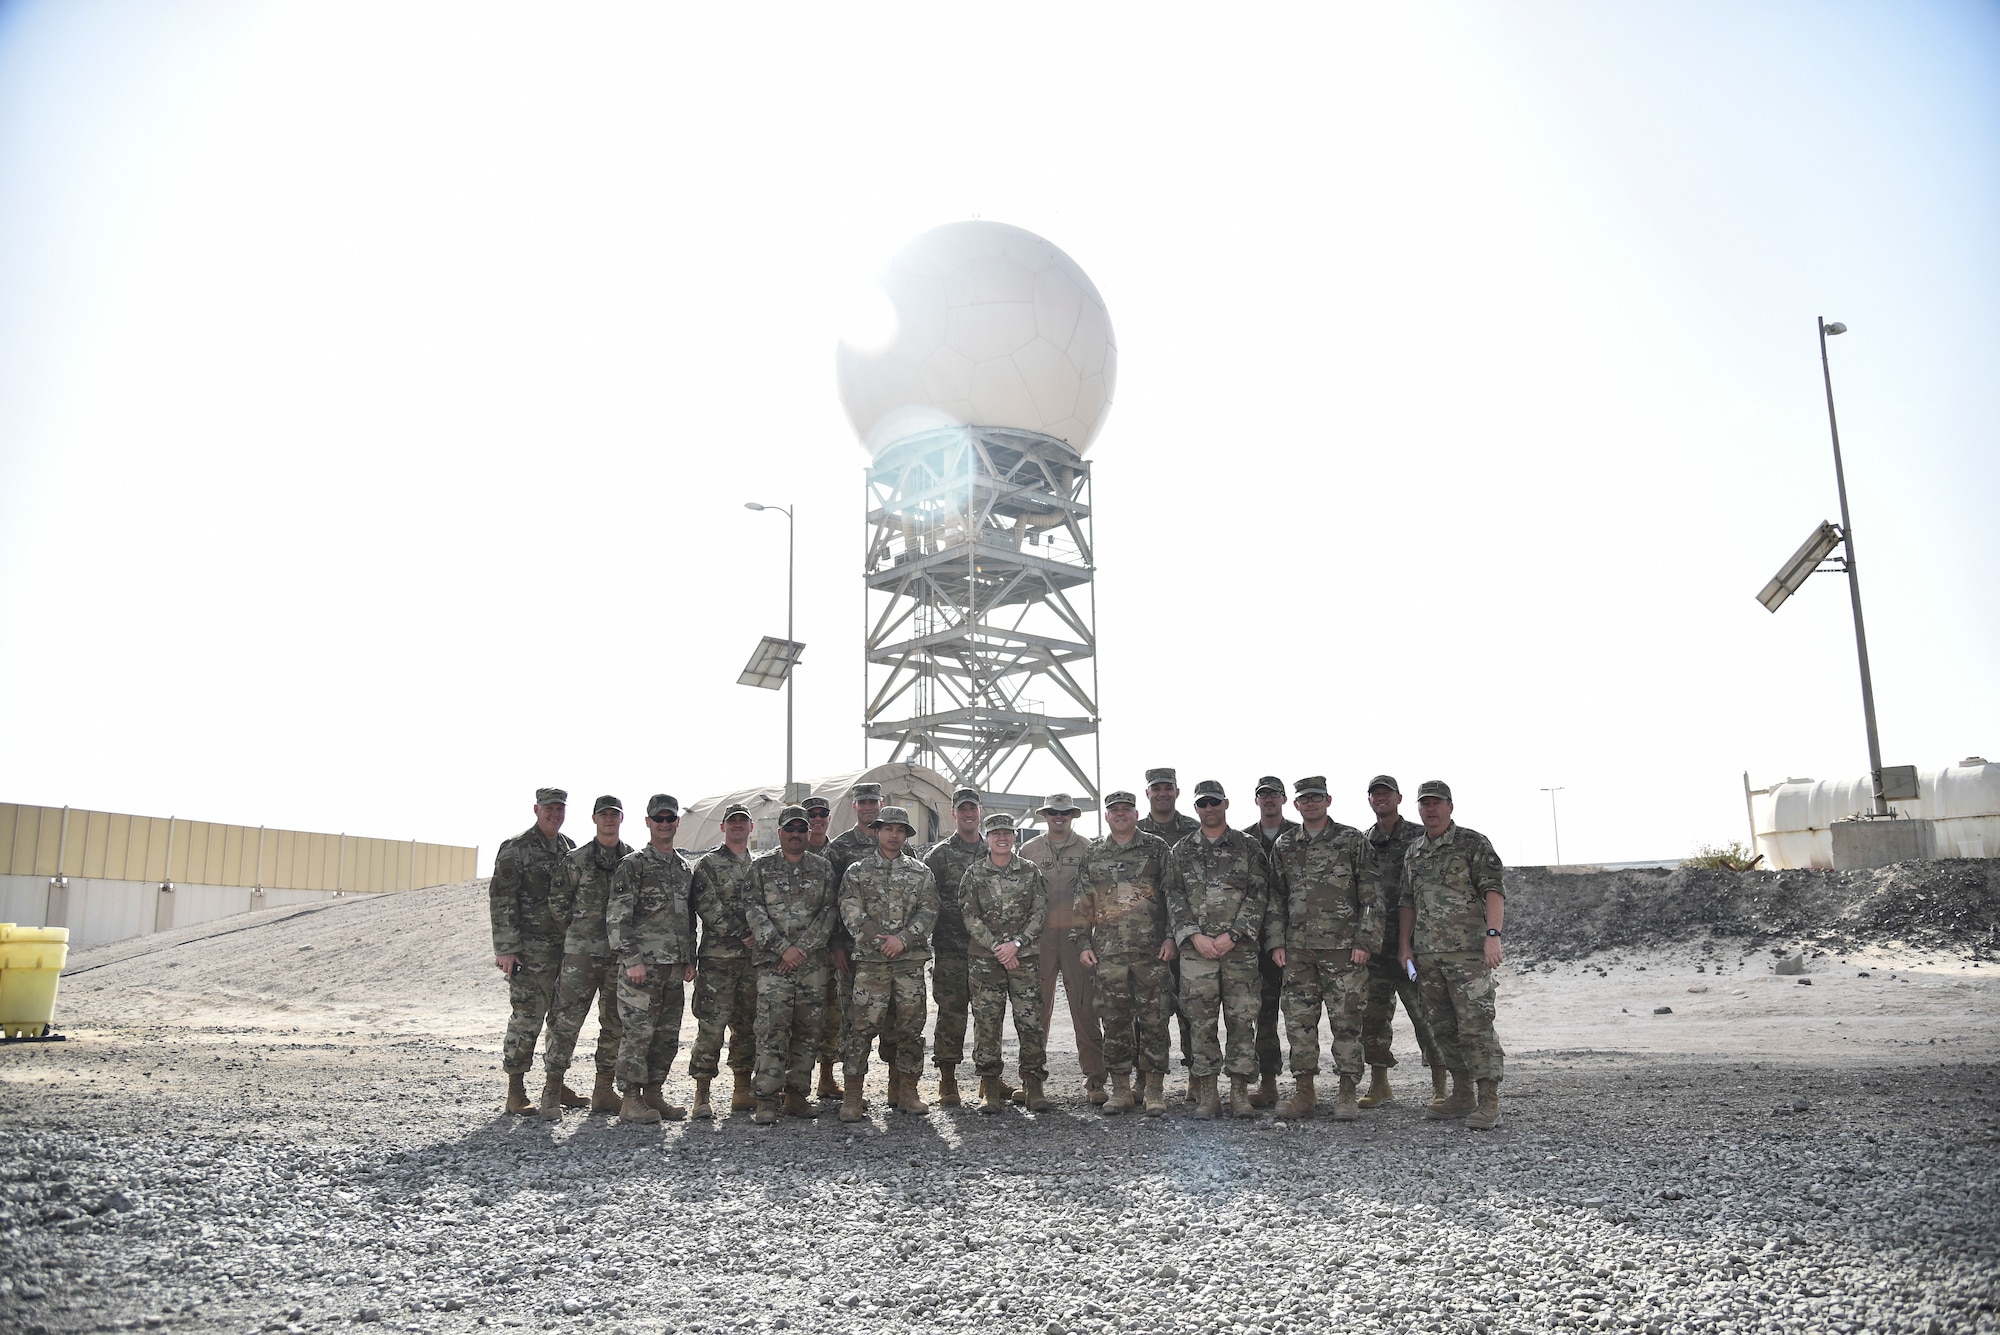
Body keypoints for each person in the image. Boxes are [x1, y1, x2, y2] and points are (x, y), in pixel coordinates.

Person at [1265, 777, 1381, 1121]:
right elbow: (1275, 898)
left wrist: (1365, 941)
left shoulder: (1351, 840)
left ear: (1328, 800)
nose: (1310, 804)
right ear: (1296, 804)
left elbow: (1372, 896)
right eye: (1304, 799)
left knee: (1346, 1022)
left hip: (1344, 951)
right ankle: (1305, 1092)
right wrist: (1275, 942)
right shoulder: (1285, 845)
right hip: (1298, 952)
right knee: (1299, 1023)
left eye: (1316, 798)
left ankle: (1347, 1093)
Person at [1397, 780, 1507, 1131]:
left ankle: (1489, 1099)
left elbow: (1493, 890)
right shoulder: (1414, 851)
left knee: (1476, 1026)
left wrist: (1493, 936)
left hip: (1468, 954)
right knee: (1442, 1027)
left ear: (1450, 806)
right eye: (1425, 804)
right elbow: (1407, 901)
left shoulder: (1472, 843)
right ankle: (1461, 1094)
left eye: (1437, 803)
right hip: (1429, 955)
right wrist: (1405, 945)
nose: (1430, 809)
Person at [1162, 780, 1271, 1119]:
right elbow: (1174, 896)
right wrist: (1194, 936)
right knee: (1200, 1025)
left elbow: (1259, 893)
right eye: (1202, 804)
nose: (1209, 809)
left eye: (1214, 802)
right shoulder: (1182, 850)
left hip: (1239, 952)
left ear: (1225, 804)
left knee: (1242, 1022)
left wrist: (1235, 934)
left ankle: (1239, 1093)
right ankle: (1208, 1094)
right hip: (1198, 955)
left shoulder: (1248, 846)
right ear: (1196, 808)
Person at [1074, 791, 1175, 1116]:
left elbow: (1173, 895)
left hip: (1151, 954)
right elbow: (1081, 904)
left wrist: (1172, 937)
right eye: (1114, 810)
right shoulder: (1094, 854)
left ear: (1135, 813)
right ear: (1106, 816)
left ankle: (1154, 1090)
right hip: (1109, 954)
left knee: (1154, 1022)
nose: (1120, 814)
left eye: (1126, 809)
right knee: (1115, 1023)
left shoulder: (1156, 848)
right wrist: (1083, 944)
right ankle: (1120, 1089)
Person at [836, 805, 938, 1122]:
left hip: (908, 965)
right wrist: (882, 941)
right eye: (888, 829)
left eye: (900, 830)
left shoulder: (921, 873)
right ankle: (853, 1096)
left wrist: (904, 939)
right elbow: (850, 910)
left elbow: (929, 911)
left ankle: (907, 1092)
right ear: (877, 831)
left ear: (906, 835)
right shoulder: (857, 871)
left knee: (910, 1031)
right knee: (860, 1030)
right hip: (871, 963)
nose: (894, 835)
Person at [604, 794, 696, 1124]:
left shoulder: (683, 868)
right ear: (647, 822)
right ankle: (630, 1099)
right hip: (642, 968)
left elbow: (687, 917)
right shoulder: (633, 864)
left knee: (666, 1035)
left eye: (670, 818)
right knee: (638, 1034)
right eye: (658, 818)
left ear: (676, 822)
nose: (665, 823)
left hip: (672, 968)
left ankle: (654, 1093)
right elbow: (617, 917)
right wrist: (631, 960)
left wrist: (689, 958)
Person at [743, 805, 837, 1125]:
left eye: (802, 829)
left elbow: (829, 914)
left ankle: (797, 1095)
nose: (796, 834)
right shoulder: (760, 869)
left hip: (812, 966)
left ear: (808, 833)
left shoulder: (823, 868)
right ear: (780, 832)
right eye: (790, 829)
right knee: (772, 1029)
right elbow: (754, 912)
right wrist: (784, 949)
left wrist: (802, 949)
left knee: (808, 1031)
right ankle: (766, 1099)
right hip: (773, 964)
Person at [538, 796, 632, 1117]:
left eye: (614, 815)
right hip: (580, 957)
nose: (609, 819)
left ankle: (604, 1089)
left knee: (615, 1024)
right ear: (594, 818)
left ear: (621, 819)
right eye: (603, 814)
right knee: (565, 1022)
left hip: (617, 959)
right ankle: (551, 1091)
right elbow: (558, 904)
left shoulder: (632, 861)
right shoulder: (576, 860)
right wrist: (579, 934)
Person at [1356, 775, 1443, 1110]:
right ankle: (1380, 1085)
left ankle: (1440, 1086)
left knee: (1426, 1017)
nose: (1381, 799)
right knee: (1373, 1020)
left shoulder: (1417, 837)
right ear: (1369, 800)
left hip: (1412, 948)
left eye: (1386, 794)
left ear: (1399, 798)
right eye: (1375, 794)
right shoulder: (1364, 842)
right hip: (1375, 949)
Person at [489, 787, 578, 1115]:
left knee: (560, 1019)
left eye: (560, 808)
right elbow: (501, 900)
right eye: (549, 808)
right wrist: (507, 948)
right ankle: (516, 1090)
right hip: (528, 953)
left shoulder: (568, 848)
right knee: (527, 1017)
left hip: (563, 951)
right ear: (536, 810)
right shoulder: (517, 849)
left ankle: (556, 1084)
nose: (555, 814)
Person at [1019, 793, 1107, 1106]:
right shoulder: (1029, 850)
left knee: (1085, 1010)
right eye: (1053, 813)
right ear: (1045, 815)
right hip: (1039, 942)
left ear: (1072, 815)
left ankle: (1095, 1081)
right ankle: (1032, 1082)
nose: (1059, 817)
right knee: (1034, 1012)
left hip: (1075, 940)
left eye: (1064, 812)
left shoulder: (1088, 848)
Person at [961, 813, 1051, 1113]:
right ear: (987, 838)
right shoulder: (974, 873)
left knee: (1030, 1022)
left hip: (1024, 959)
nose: (1002, 838)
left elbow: (1040, 911)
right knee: (987, 1022)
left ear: (1015, 836)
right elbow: (970, 915)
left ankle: (1033, 1084)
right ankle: (990, 1086)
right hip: (986, 961)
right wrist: (997, 947)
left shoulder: (1030, 871)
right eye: (996, 833)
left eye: (1007, 833)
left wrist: (1016, 945)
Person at [688, 802, 760, 1119]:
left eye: (743, 822)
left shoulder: (759, 866)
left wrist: (758, 934)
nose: (737, 826)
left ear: (751, 827)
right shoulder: (708, 865)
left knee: (746, 1027)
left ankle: (741, 1090)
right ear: (723, 827)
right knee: (711, 1027)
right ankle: (702, 1094)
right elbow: (708, 907)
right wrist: (741, 932)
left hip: (751, 962)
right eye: (732, 822)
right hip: (718, 960)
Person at [921, 787, 985, 1108]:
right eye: (962, 809)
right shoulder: (939, 855)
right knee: (952, 1014)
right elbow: (926, 902)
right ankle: (947, 1079)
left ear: (980, 811)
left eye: (972, 808)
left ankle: (989, 1076)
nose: (968, 814)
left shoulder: (993, 852)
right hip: (951, 952)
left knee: (988, 1015)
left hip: (986, 952)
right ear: (954, 814)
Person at [1138, 768, 1201, 1094]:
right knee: (1147, 1010)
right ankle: (1143, 1078)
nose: (1162, 793)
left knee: (1190, 1007)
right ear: (1147, 793)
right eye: (1156, 788)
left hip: (1188, 934)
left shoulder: (1194, 829)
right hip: (1147, 937)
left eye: (1168, 788)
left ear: (1177, 792)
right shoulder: (1135, 832)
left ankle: (1195, 1075)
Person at [820, 783, 884, 1101]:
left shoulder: (895, 840)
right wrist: (836, 945)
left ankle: (899, 1087)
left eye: (873, 801)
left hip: (889, 953)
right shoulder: (841, 847)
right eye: (863, 802)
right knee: (851, 1016)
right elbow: (830, 899)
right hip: (852, 949)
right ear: (854, 806)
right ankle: (846, 1085)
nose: (869, 807)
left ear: (881, 803)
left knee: (893, 1017)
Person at [1241, 776, 1299, 1109]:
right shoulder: (1244, 839)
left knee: (1300, 1015)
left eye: (1274, 795)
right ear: (1257, 801)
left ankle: (1305, 1084)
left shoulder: (1298, 835)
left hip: (1298, 939)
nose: (1269, 800)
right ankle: (1268, 1083)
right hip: (1256, 941)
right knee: (1263, 1015)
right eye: (1263, 795)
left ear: (1284, 799)